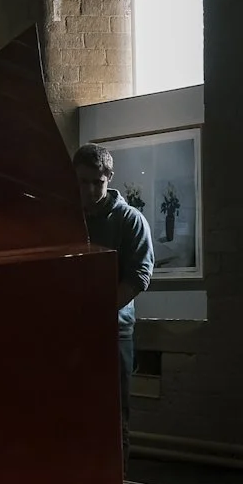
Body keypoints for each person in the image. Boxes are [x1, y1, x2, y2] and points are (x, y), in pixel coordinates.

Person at [74, 143, 155, 434]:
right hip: (71, 331)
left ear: (109, 177)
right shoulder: (67, 219)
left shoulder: (130, 220)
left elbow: (138, 277)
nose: (91, 191)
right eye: (83, 182)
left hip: (114, 332)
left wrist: (100, 311)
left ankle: (117, 479)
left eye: (98, 182)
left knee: (113, 415)